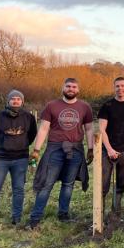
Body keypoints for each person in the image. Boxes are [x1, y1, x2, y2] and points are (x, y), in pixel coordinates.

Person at [27, 78, 94, 228]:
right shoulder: (52, 106)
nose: (71, 89)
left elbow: (89, 129)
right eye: (68, 86)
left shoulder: (85, 107)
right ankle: (35, 218)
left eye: (74, 86)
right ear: (63, 88)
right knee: (46, 183)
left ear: (78, 89)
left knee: (68, 184)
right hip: (55, 149)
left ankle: (63, 214)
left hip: (75, 149)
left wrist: (90, 148)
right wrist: (36, 150)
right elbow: (44, 128)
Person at [0, 89, 37, 226]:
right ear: (8, 101)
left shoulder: (29, 118)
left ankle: (16, 218)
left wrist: (21, 145)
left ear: (22, 101)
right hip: (0, 158)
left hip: (20, 159)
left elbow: (31, 135)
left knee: (18, 189)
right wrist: (2, 146)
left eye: (18, 99)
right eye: (13, 99)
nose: (16, 101)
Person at [97, 77, 124, 215]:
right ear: (114, 87)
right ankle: (99, 213)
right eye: (117, 86)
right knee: (103, 185)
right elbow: (102, 129)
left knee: (121, 183)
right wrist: (109, 149)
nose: (120, 88)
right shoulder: (107, 106)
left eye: (122, 86)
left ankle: (116, 211)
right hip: (107, 151)